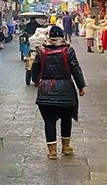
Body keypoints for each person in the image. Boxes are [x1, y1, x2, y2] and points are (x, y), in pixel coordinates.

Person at [31, 26, 86, 159]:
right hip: (66, 89)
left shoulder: (41, 51)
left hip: (46, 90)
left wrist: (36, 81)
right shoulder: (68, 50)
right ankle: (66, 147)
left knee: (49, 121)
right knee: (66, 119)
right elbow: (75, 69)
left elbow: (34, 69)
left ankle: (52, 151)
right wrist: (81, 86)